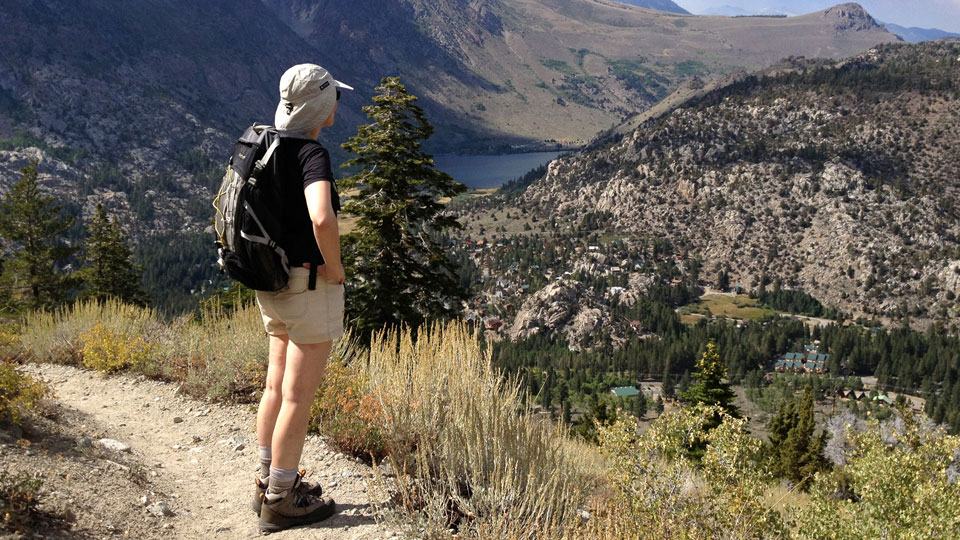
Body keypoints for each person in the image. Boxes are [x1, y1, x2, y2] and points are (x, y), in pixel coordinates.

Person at [252, 63, 351, 534]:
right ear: (323, 107)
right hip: (307, 285)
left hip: (270, 286)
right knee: (298, 396)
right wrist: (335, 268)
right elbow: (321, 218)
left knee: (275, 388)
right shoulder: (312, 154)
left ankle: (265, 481)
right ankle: (281, 498)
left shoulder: (265, 145)